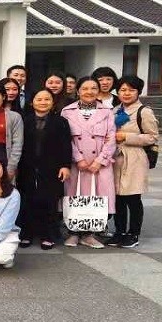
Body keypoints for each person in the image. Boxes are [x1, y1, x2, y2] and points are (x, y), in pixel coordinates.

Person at [60, 76, 117, 249]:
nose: (89, 92)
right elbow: (64, 138)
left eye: (93, 88)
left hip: (98, 164)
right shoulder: (67, 111)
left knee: (95, 197)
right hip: (76, 163)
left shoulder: (107, 111)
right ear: (78, 91)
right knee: (74, 196)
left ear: (98, 91)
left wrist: (100, 161)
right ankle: (73, 232)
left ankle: (89, 234)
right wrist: (78, 158)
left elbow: (111, 138)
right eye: (85, 88)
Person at [107, 76, 159, 248]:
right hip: (116, 158)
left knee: (133, 198)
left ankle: (133, 233)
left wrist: (126, 136)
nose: (126, 93)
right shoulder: (115, 110)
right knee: (118, 198)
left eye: (131, 90)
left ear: (138, 92)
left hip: (135, 158)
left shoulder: (144, 111)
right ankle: (120, 231)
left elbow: (152, 136)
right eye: (123, 90)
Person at [17, 90, 72, 249]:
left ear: (52, 102)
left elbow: (66, 145)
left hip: (52, 167)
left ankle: (48, 235)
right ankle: (27, 234)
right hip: (27, 166)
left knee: (50, 200)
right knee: (27, 200)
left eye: (47, 99)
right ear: (32, 102)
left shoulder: (61, 122)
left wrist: (65, 165)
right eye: (39, 99)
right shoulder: (24, 120)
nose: (43, 102)